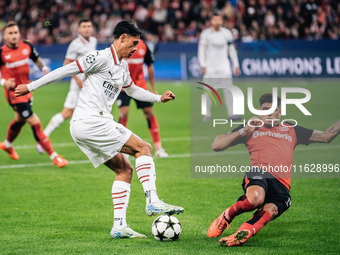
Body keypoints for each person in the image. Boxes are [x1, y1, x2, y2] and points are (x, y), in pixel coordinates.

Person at [15, 20, 184, 238]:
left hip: (84, 127)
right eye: (133, 43)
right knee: (144, 148)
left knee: (124, 170)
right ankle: (153, 201)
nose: (135, 49)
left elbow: (132, 90)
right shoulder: (100, 57)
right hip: (92, 121)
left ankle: (119, 226)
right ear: (122, 38)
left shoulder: (122, 66)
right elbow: (65, 70)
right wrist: (31, 86)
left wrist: (158, 98)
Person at [207, 93, 340, 246]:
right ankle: (227, 215)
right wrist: (243, 131)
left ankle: (244, 232)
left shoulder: (292, 129)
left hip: (282, 185)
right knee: (255, 199)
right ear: (259, 111)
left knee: (270, 210)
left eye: (274, 109)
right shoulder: (252, 127)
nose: (269, 113)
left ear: (280, 112)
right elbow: (216, 145)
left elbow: (325, 136)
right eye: (265, 109)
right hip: (260, 173)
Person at [0, 21, 68, 168]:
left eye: (16, 32)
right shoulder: (1, 53)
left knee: (20, 119)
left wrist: (44, 68)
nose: (13, 35)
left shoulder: (27, 46)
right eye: (10, 33)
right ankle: (54, 156)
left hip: (27, 90)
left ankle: (7, 144)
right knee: (34, 121)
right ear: (5, 36)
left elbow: (36, 59)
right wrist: (4, 82)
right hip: (14, 94)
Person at [36, 19, 97, 153]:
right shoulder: (75, 45)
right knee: (67, 113)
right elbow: (66, 64)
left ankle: (95, 144)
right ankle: (43, 138)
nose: (87, 29)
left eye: (89, 26)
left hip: (89, 85)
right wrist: (77, 79)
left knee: (93, 113)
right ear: (79, 29)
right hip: (78, 86)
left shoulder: (93, 41)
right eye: (84, 26)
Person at [117, 38, 168, 158]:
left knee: (149, 113)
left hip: (140, 86)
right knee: (123, 114)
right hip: (123, 87)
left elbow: (150, 65)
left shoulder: (143, 46)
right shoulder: (120, 46)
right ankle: (122, 149)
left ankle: (159, 148)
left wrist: (153, 88)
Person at [198, 12, 240, 122]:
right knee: (207, 92)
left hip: (224, 67)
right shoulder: (205, 34)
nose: (217, 22)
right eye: (215, 20)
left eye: (219, 20)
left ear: (222, 21)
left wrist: (236, 64)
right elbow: (201, 51)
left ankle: (232, 114)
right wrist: (203, 64)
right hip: (210, 68)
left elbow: (232, 50)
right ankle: (207, 115)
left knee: (229, 91)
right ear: (211, 21)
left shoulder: (227, 33)